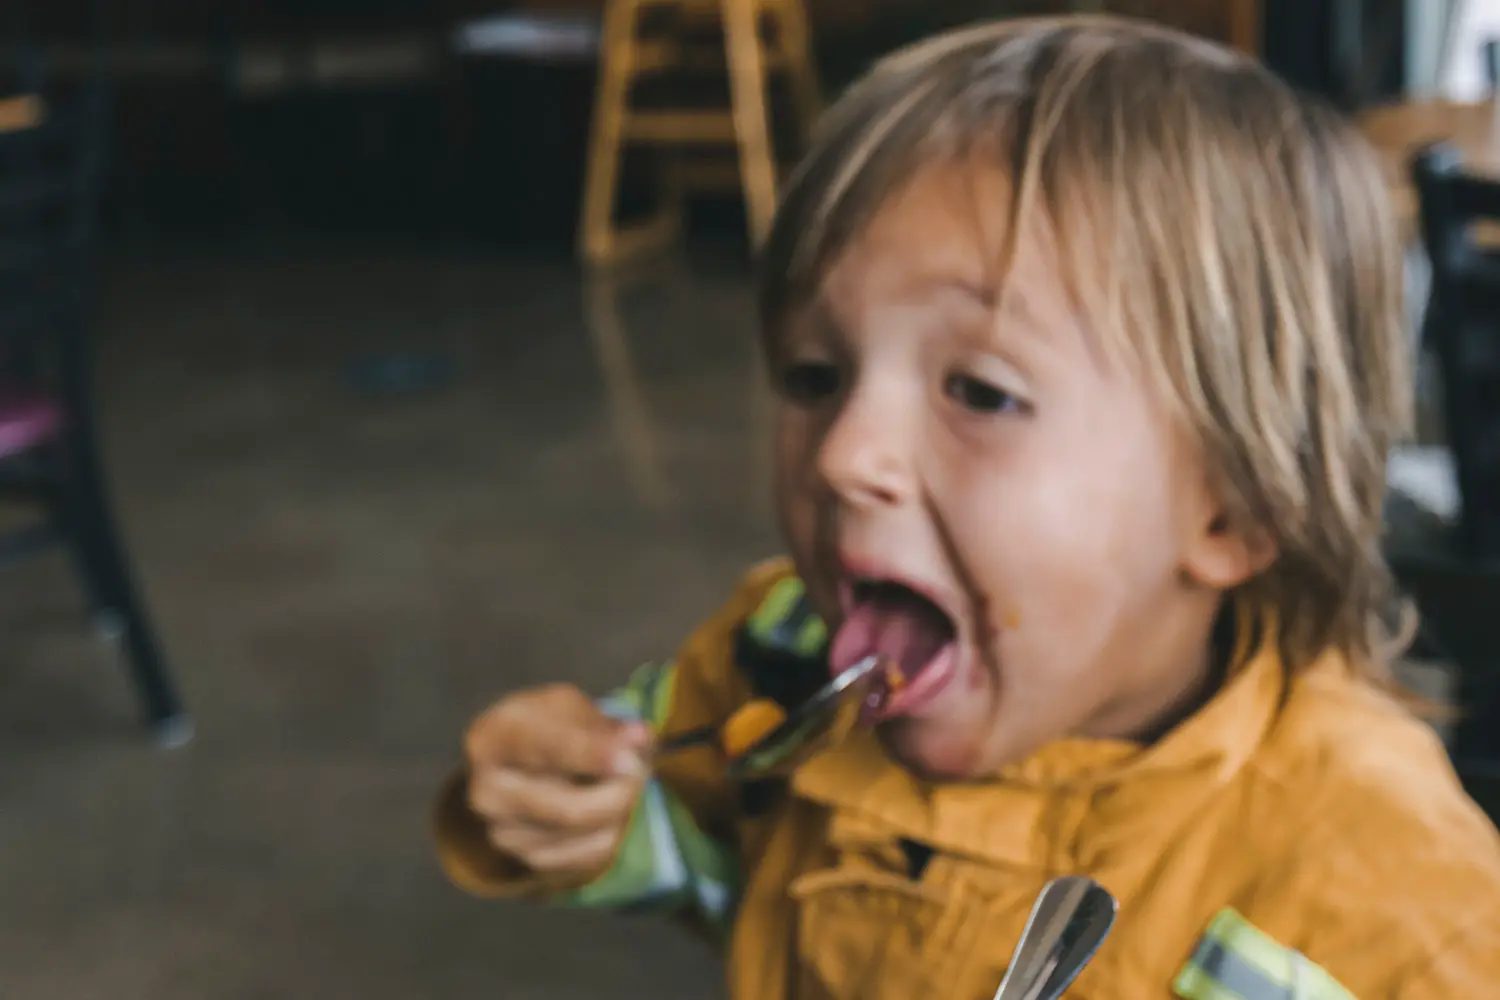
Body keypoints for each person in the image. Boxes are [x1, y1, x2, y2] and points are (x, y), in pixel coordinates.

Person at [433, 16, 1500, 998]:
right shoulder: (777, 651)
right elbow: (706, 844)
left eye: (981, 392)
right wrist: (573, 804)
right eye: (814, 375)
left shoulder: (1394, 896)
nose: (847, 453)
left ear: (1234, 509)